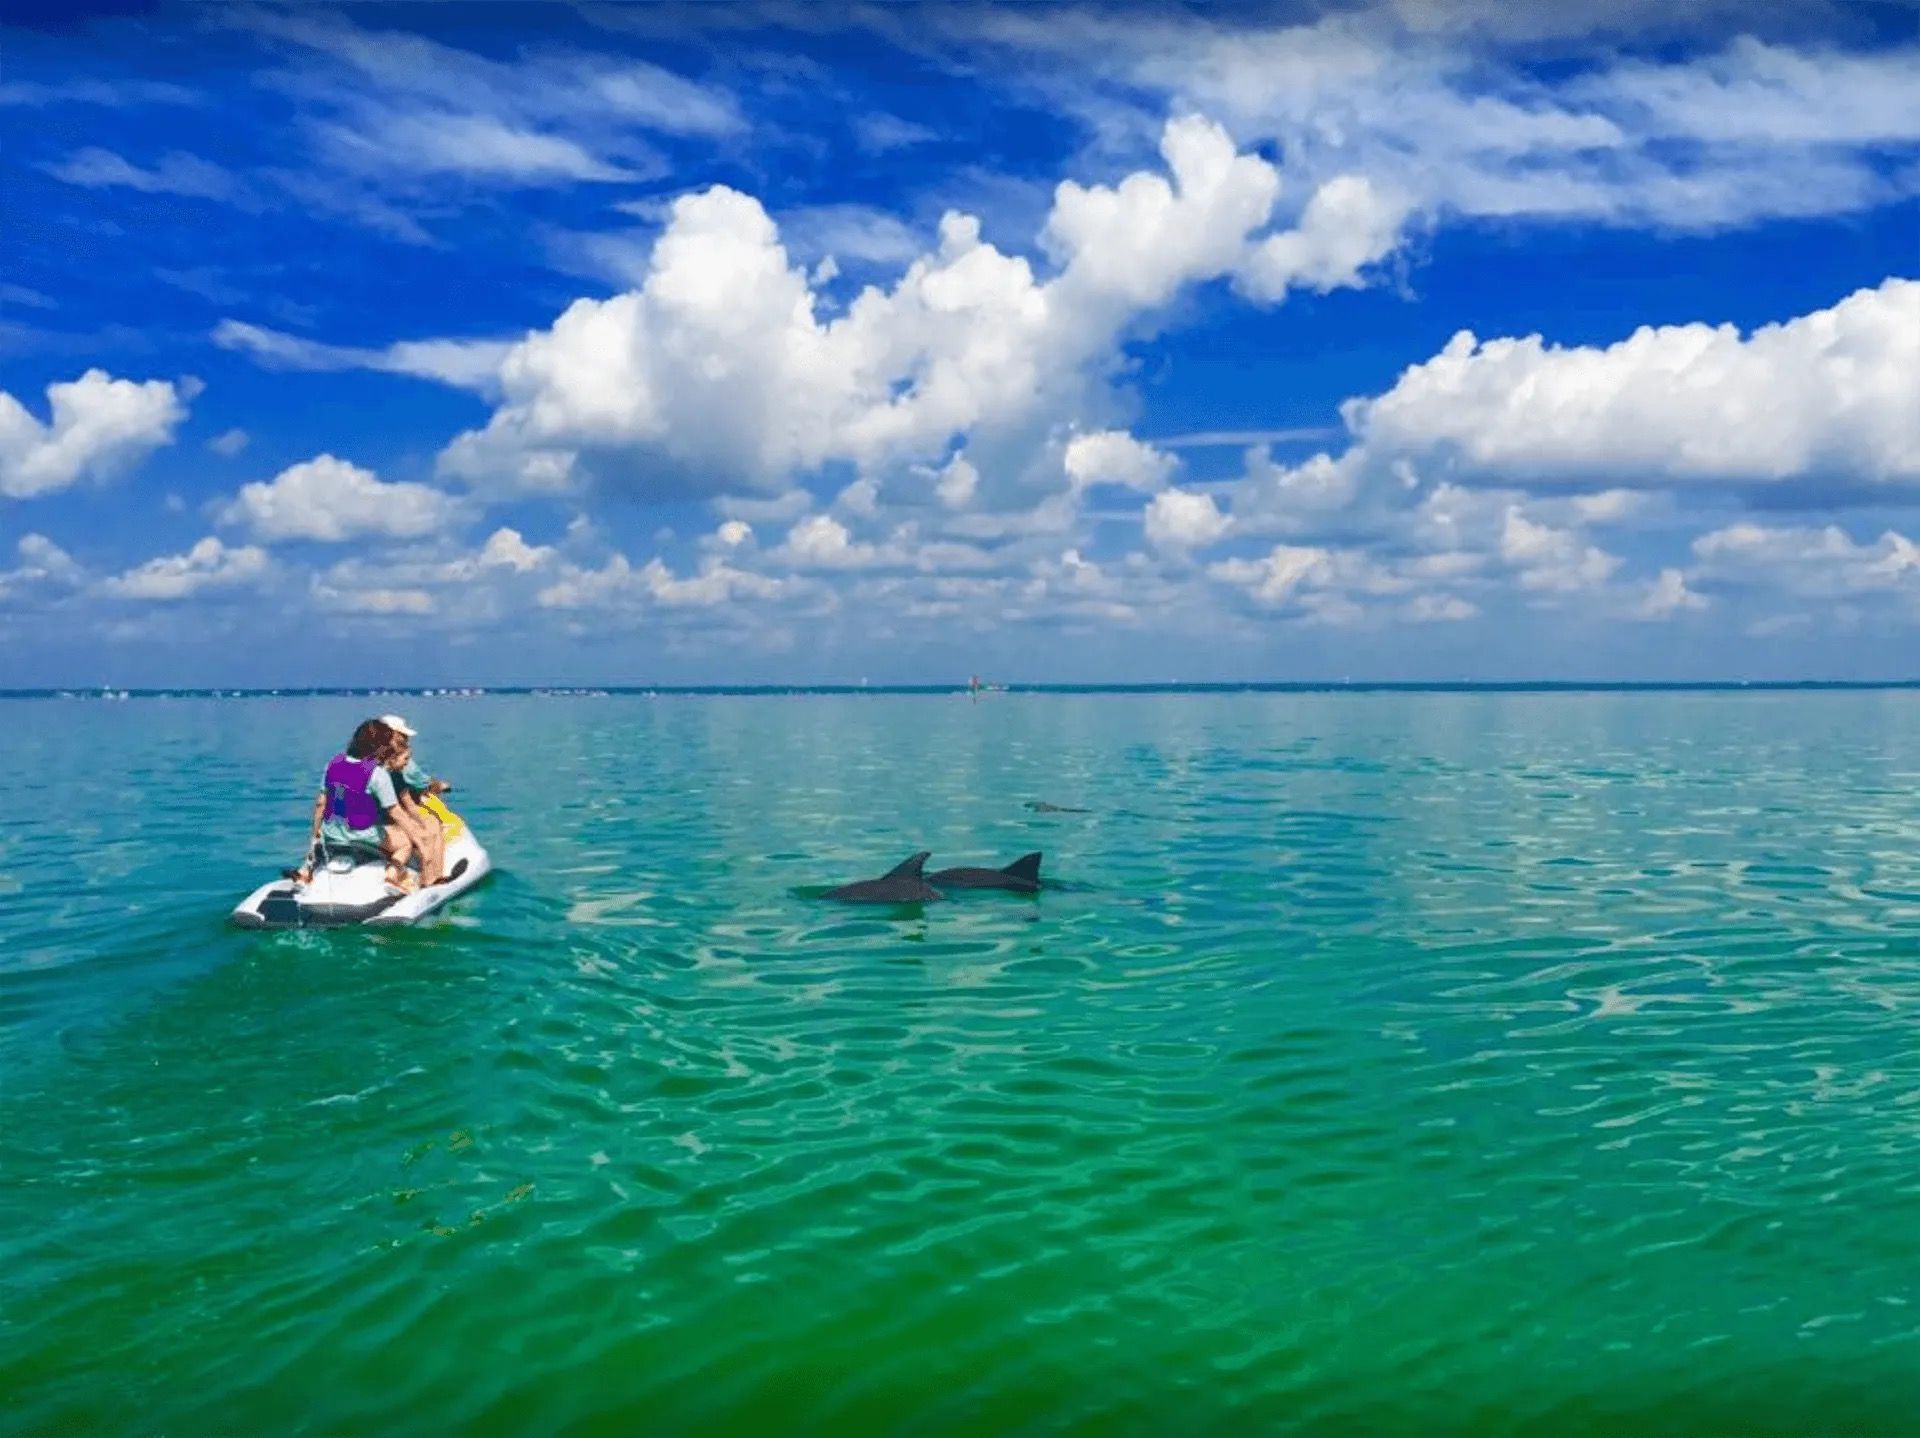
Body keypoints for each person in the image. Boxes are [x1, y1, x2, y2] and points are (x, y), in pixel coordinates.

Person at [291, 718, 429, 894]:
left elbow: (320, 804)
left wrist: (315, 834)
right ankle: (391, 877)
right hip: (364, 835)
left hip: (332, 833)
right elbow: (397, 813)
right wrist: (419, 841)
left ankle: (304, 874)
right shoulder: (377, 774)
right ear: (380, 747)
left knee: (318, 843)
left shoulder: (333, 764)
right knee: (404, 843)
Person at [377, 715, 448, 887]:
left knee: (430, 824)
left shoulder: (380, 769)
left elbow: (407, 802)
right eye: (405, 759)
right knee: (429, 830)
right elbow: (398, 810)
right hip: (384, 824)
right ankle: (431, 879)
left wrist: (423, 820)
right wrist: (420, 829)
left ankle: (432, 876)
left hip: (382, 821)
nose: (407, 763)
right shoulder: (385, 776)